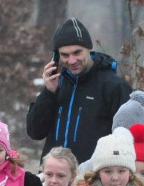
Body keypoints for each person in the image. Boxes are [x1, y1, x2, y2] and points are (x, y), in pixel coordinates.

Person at [26, 18, 131, 164]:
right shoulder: (56, 84)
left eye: (77, 52)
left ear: (89, 48)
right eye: (65, 55)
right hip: (53, 178)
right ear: (56, 56)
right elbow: (34, 132)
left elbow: (128, 140)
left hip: (92, 180)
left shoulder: (114, 86)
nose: (72, 60)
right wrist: (48, 93)